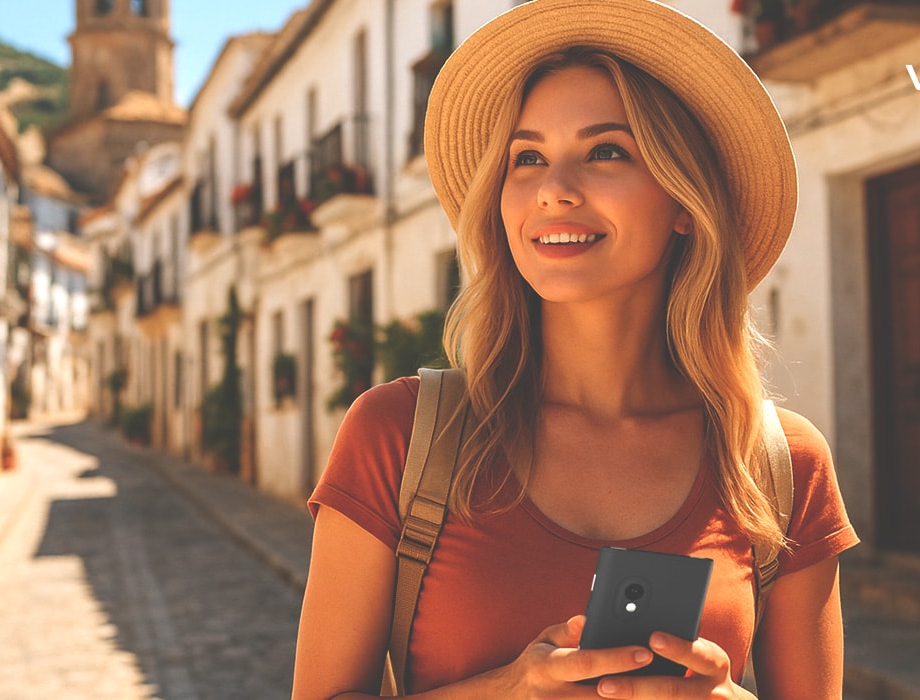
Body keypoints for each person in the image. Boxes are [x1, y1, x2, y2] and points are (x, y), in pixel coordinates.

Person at [292, 0, 858, 697]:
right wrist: (510, 689)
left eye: (606, 151)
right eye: (526, 157)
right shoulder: (399, 437)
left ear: (684, 202)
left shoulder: (780, 467)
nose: (553, 191)